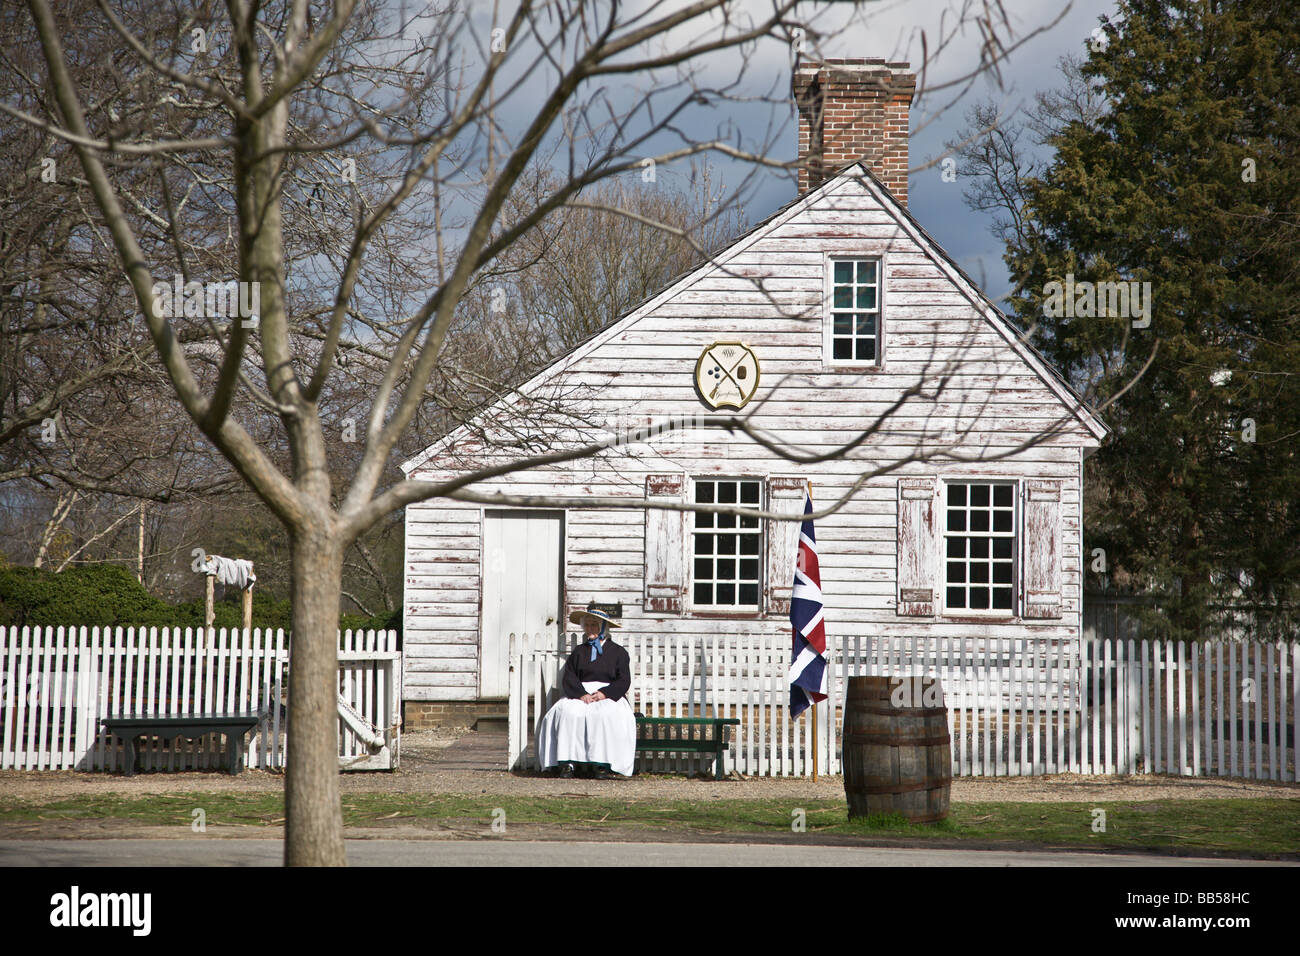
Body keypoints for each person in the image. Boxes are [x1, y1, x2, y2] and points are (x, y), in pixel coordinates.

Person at [536, 604, 636, 778]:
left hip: (608, 695)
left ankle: (602, 765)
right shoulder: (579, 652)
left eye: (594, 625)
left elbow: (623, 680)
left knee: (604, 715)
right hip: (581, 694)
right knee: (566, 712)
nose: (589, 629)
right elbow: (569, 676)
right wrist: (581, 694)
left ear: (603, 628)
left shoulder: (619, 652)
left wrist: (605, 693)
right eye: (587, 625)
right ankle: (567, 762)